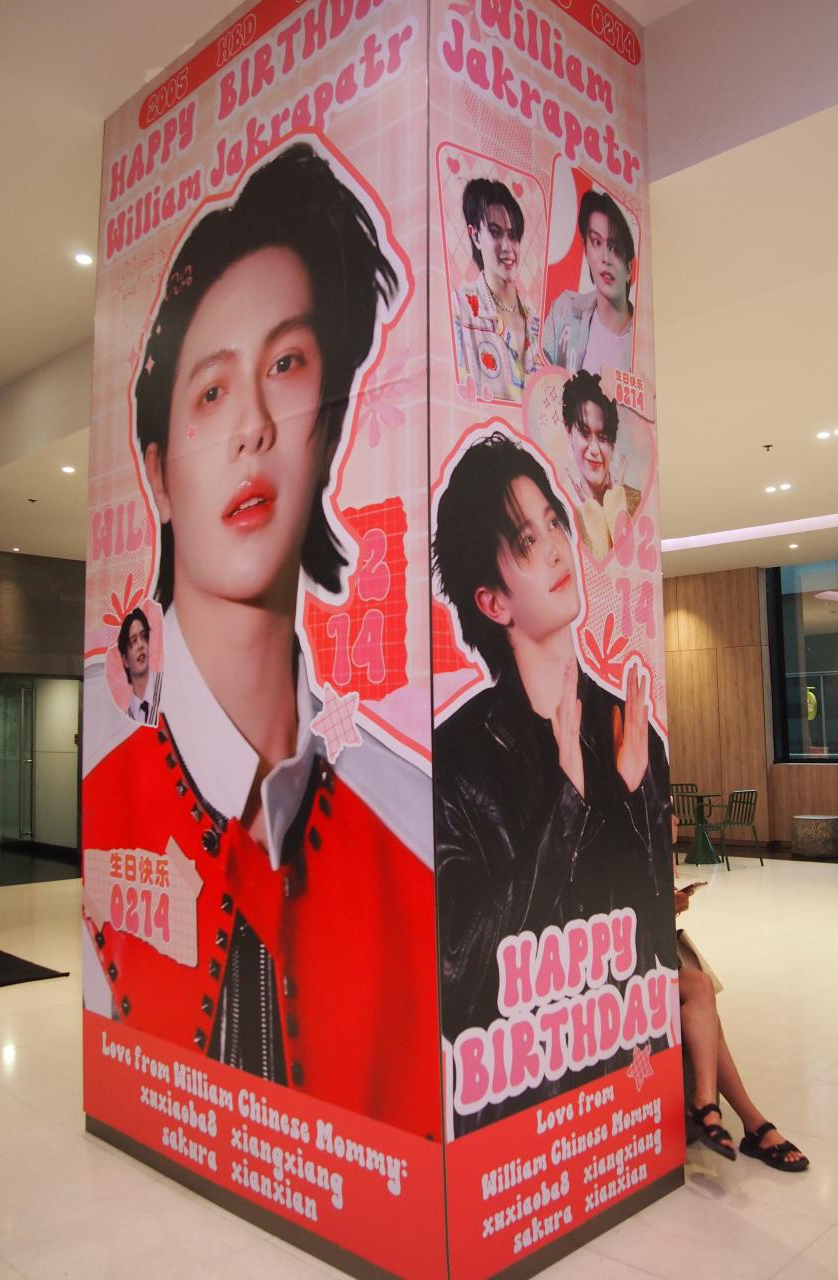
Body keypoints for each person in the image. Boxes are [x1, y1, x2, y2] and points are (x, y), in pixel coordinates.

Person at [83, 143, 439, 1139]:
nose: (251, 427)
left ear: (328, 425)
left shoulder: (410, 823)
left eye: (286, 365)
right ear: (157, 472)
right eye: (210, 392)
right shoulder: (109, 783)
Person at [432, 432, 672, 1133]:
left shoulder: (630, 732)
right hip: (519, 1103)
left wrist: (631, 799)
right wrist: (567, 803)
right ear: (493, 602)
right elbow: (463, 975)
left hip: (620, 1082)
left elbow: (656, 938)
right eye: (527, 541)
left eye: (554, 524)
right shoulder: (458, 759)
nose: (558, 549)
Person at [672, 822, 809, 1171]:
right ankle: (747, 1122)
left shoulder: (647, 842)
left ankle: (724, 1111)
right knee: (702, 998)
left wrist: (670, 903)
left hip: (652, 956)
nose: (673, 821)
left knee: (703, 999)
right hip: (613, 962)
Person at [452, 178, 540, 402]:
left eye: (513, 235)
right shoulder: (460, 310)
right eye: (495, 232)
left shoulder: (537, 325)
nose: (507, 247)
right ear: (475, 235)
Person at [542, 189, 635, 375]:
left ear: (629, 269)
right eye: (596, 242)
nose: (605, 258)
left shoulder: (640, 345)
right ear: (586, 249)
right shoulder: (565, 310)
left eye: (615, 248)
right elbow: (537, 377)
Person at [561, 370, 641, 557]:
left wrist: (616, 507)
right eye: (584, 433)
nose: (594, 449)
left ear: (613, 444)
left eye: (603, 437)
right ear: (568, 432)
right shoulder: (562, 517)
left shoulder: (638, 502)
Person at [117, 607, 161, 725]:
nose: (141, 645)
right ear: (125, 660)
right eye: (133, 641)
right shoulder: (126, 718)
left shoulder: (166, 689)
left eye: (144, 636)